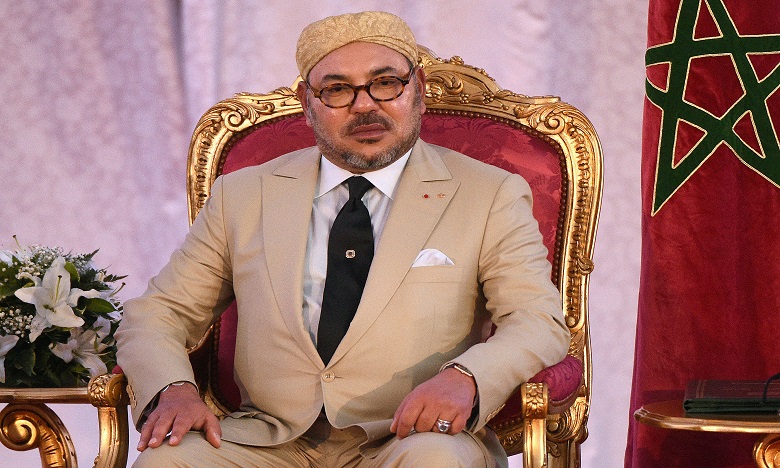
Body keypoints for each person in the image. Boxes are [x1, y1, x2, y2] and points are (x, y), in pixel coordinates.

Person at [116, 10, 569, 468]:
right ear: (306, 102)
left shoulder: (487, 193)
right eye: (337, 89)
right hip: (268, 440)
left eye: (386, 83)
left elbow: (536, 319)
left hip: (411, 436)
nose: (365, 105)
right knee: (166, 462)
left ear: (418, 89)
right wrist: (173, 388)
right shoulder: (244, 195)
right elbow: (158, 314)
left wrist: (466, 377)